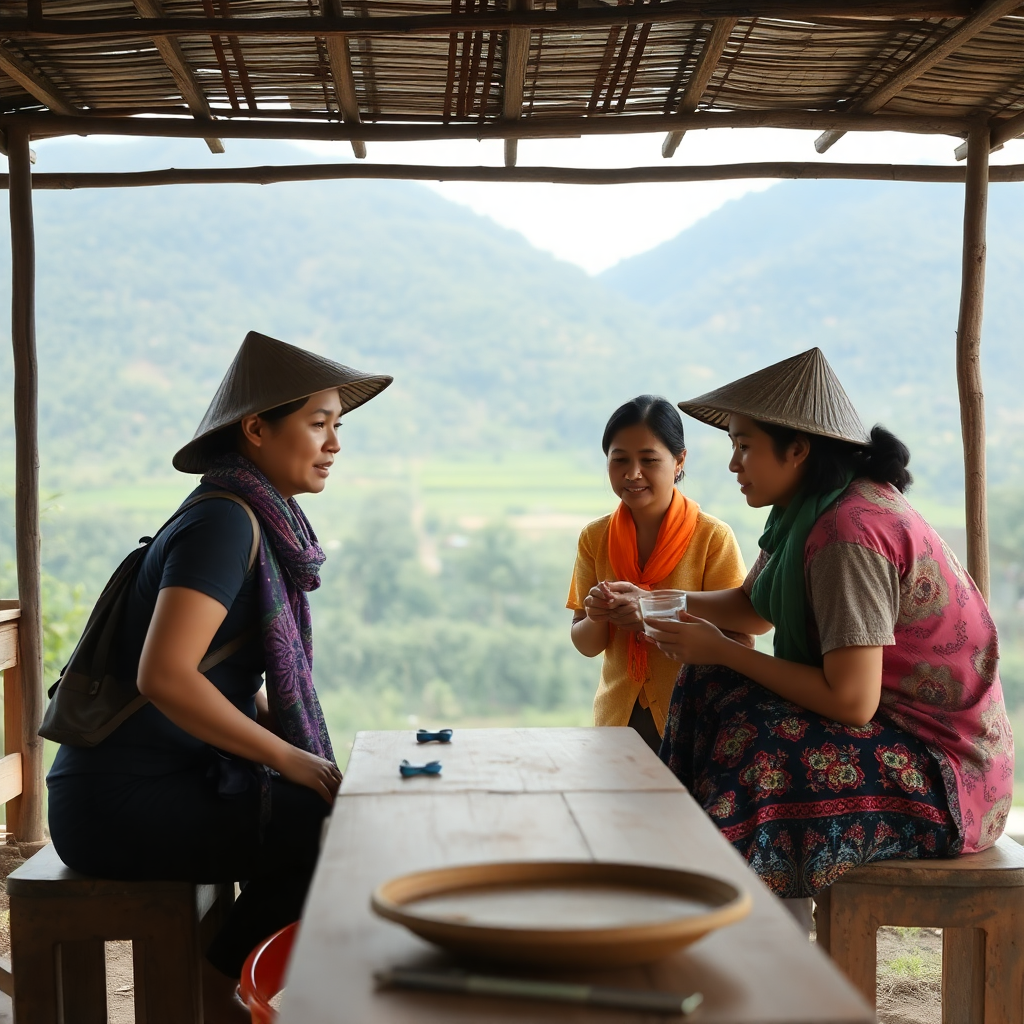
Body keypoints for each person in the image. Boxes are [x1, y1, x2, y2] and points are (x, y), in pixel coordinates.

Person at [46, 331, 392, 1022]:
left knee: (332, 810)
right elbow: (166, 676)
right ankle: (221, 997)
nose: (334, 443)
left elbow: (224, 680)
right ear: (256, 429)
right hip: (117, 802)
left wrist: (304, 757)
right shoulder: (224, 525)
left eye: (338, 426)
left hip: (153, 786)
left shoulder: (249, 515)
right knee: (323, 829)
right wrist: (290, 758)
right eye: (317, 423)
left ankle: (226, 985)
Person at [650, 347, 1012, 924]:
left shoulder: (849, 534)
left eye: (744, 446)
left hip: (947, 773)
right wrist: (651, 601)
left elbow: (851, 701)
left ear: (797, 449)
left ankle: (757, 931)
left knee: (762, 751)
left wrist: (721, 648)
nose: (734, 463)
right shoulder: (808, 510)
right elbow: (753, 608)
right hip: (891, 733)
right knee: (707, 685)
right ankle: (682, 871)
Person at [566, 396, 747, 752]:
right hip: (617, 722)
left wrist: (651, 615)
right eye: (619, 459)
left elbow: (740, 639)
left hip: (695, 722)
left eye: (649, 460)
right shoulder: (595, 537)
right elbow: (586, 644)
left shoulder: (712, 537)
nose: (632, 473)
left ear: (680, 461)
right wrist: (598, 615)